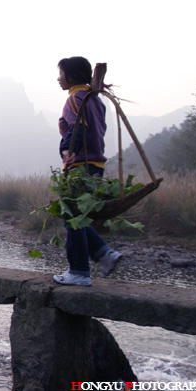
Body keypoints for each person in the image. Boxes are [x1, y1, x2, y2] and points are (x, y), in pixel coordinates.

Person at [53, 56, 122, 286]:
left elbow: (78, 129)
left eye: (60, 74)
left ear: (71, 77)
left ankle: (80, 272)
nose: (58, 79)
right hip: (96, 165)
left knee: (72, 218)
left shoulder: (75, 99)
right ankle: (104, 254)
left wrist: (66, 150)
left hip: (80, 165)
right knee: (77, 217)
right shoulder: (95, 100)